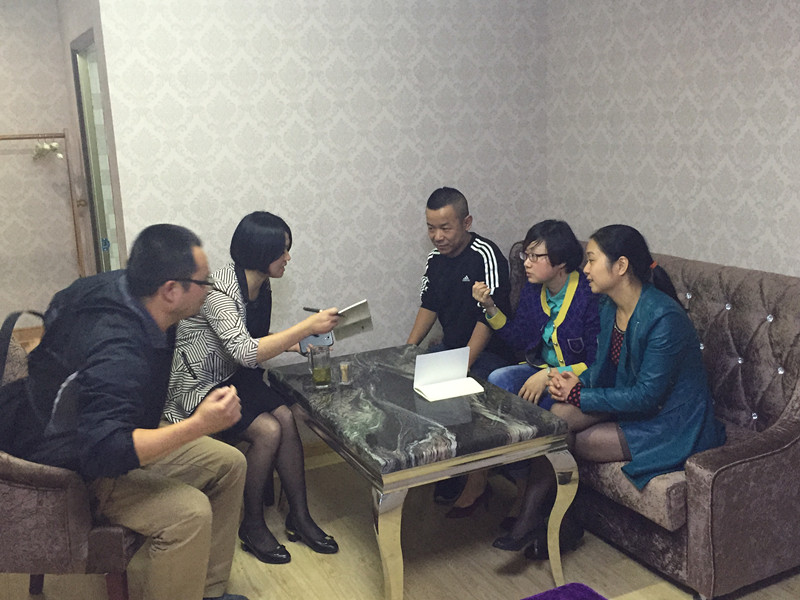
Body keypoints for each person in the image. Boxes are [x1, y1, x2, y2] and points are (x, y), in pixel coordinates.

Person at [21, 224, 249, 600]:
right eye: (204, 282)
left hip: (101, 430)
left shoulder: (115, 287)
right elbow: (107, 450)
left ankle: (208, 591)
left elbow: (56, 311)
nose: (211, 289)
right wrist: (198, 425)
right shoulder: (119, 352)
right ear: (171, 290)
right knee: (189, 513)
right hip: (75, 468)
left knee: (230, 463)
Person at [498, 224, 726, 560]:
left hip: (670, 421)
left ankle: (550, 522)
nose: (585, 269)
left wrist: (579, 396)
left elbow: (647, 396)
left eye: (591, 260)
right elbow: (602, 369)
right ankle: (545, 520)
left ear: (620, 266)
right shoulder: (609, 306)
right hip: (629, 400)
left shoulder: (663, 318)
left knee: (575, 436)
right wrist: (571, 381)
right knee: (557, 419)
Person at [165, 211, 340, 566]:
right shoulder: (218, 291)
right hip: (197, 384)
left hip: (231, 375)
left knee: (286, 417)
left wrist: (297, 345)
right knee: (268, 431)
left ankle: (299, 516)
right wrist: (306, 327)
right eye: (282, 250)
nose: (288, 257)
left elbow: (252, 339)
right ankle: (253, 525)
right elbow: (246, 351)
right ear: (261, 252)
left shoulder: (261, 285)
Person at [447, 220, 600, 519]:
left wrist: (550, 375)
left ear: (561, 262)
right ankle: (504, 477)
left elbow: (597, 362)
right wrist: (490, 307)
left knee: (521, 405)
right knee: (497, 379)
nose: (526, 263)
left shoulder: (587, 295)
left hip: (575, 379)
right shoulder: (534, 291)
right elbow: (518, 337)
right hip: (538, 369)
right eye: (525, 255)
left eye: (534, 256)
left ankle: (522, 491)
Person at [406, 186, 515, 504]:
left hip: (491, 353)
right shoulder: (435, 260)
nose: (437, 236)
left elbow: (490, 318)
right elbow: (429, 306)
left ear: (466, 222)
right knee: (414, 383)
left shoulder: (486, 255)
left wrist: (462, 364)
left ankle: (477, 480)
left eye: (445, 227)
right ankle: (445, 469)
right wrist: (408, 349)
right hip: (452, 349)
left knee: (462, 392)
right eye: (431, 228)